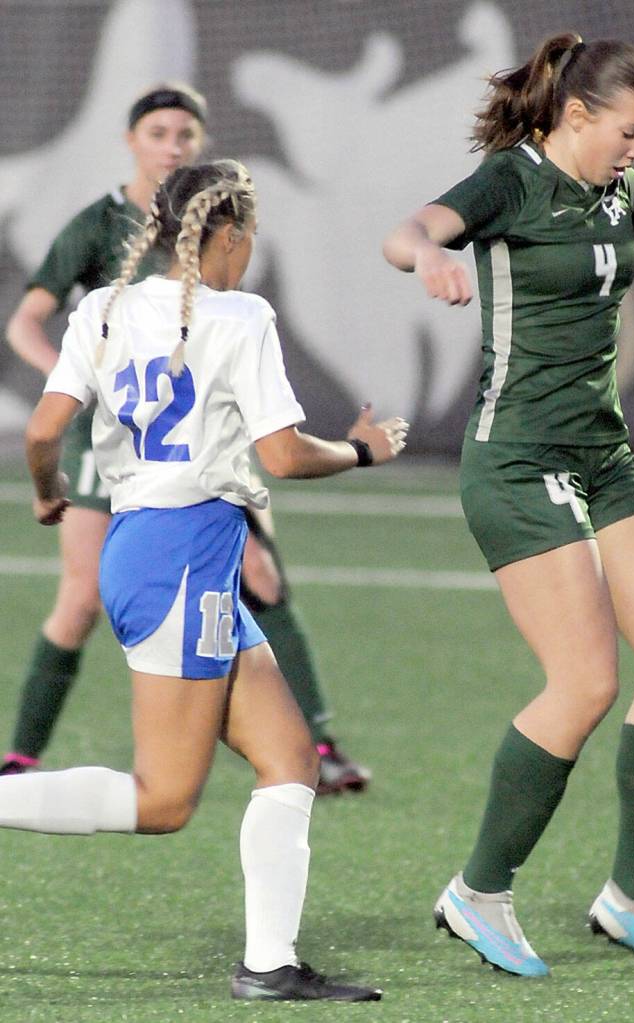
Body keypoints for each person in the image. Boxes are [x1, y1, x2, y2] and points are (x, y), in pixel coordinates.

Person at [384, 33, 634, 980]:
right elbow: (408, 232)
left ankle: (633, 897)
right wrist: (429, 257)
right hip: (517, 461)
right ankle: (478, 890)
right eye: (628, 131)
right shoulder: (511, 181)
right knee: (585, 682)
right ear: (574, 115)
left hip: (604, 458)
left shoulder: (617, 190)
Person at [0, 158, 408, 1000]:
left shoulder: (103, 308)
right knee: (164, 800)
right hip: (183, 558)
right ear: (231, 234)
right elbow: (283, 456)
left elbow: (42, 433)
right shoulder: (241, 315)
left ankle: (269, 965)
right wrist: (362, 449)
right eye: (251, 235)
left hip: (155, 548)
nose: (251, 249)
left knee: (289, 758)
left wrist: (48, 493)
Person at [4, 83, 370, 795]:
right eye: (158, 133)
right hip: (114, 446)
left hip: (207, 447)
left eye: (185, 134)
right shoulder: (100, 225)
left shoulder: (207, 225)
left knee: (263, 578)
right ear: (131, 141)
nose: (172, 145)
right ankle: (21, 758)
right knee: (79, 601)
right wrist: (77, 383)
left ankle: (318, 742)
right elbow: (26, 324)